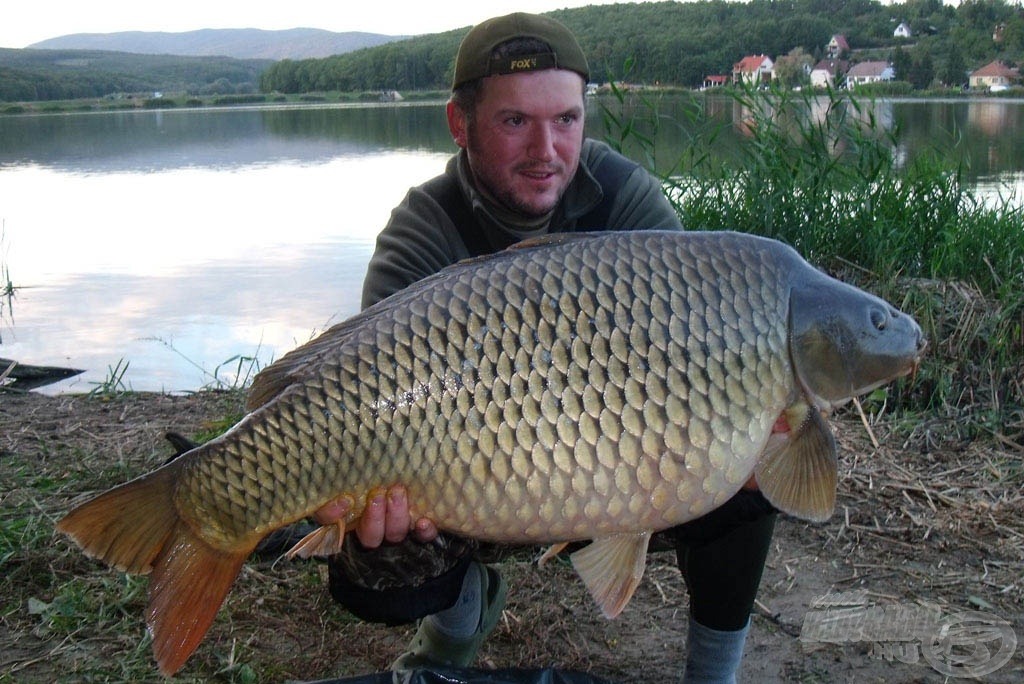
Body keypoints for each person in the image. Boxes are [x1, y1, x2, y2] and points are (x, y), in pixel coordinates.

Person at [315, 13, 778, 684]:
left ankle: (715, 675)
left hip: (614, 463)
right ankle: (456, 616)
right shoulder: (423, 231)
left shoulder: (628, 204)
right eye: (514, 123)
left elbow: (693, 363)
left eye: (565, 120)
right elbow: (374, 401)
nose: (546, 149)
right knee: (376, 568)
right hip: (465, 478)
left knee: (750, 481)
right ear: (459, 123)